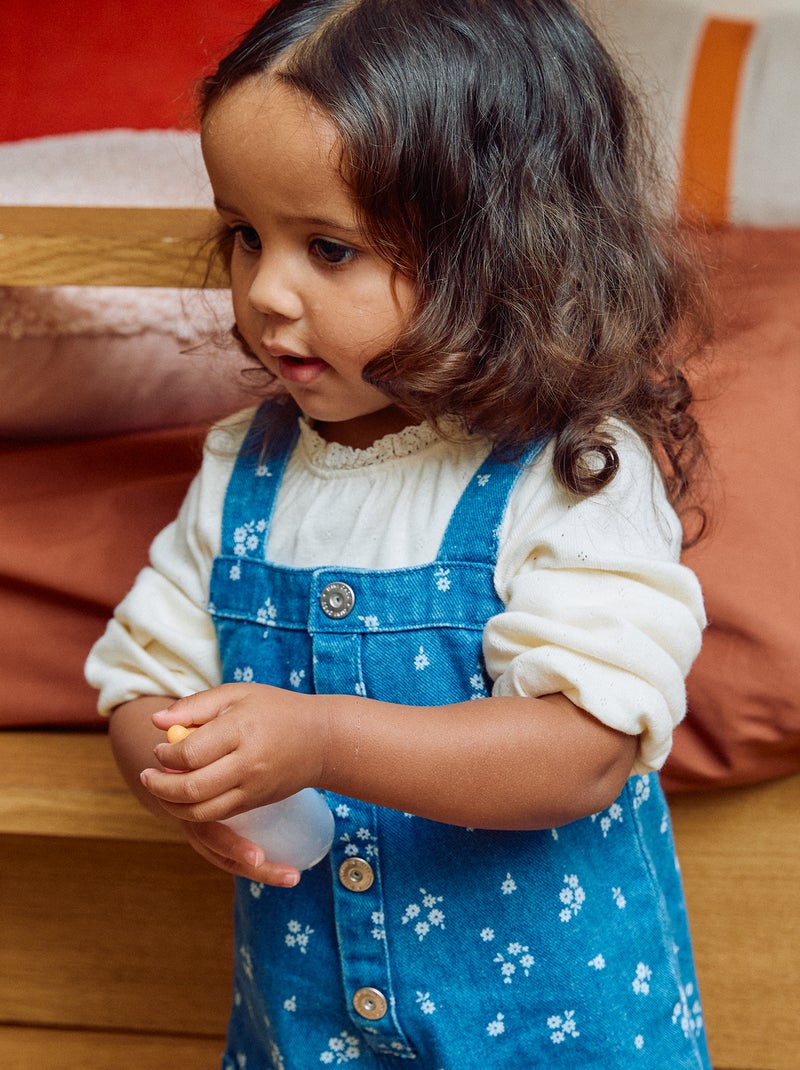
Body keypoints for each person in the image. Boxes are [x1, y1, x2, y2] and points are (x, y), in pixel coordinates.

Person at [86, 0, 712, 1065]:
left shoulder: (568, 470)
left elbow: (581, 750)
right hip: (307, 1031)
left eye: (328, 248)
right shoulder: (247, 466)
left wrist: (321, 738)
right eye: (245, 234)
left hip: (550, 1035)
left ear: (500, 247)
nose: (266, 291)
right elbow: (142, 683)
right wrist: (182, 771)